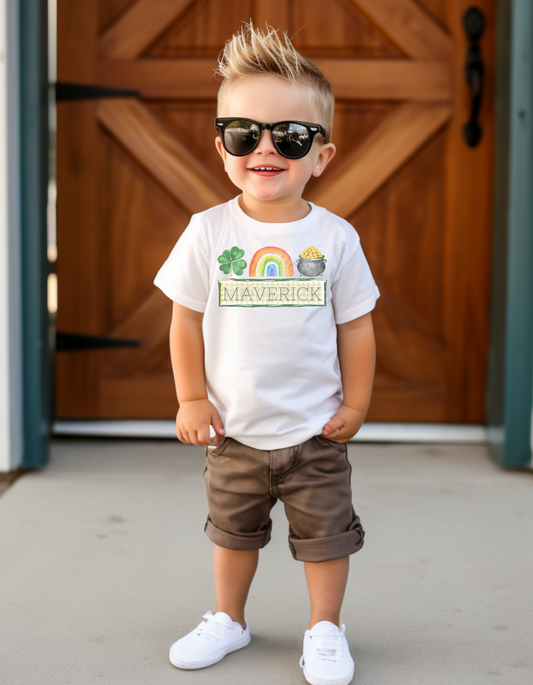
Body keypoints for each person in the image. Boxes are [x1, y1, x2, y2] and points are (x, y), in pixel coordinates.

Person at [153, 20, 380, 685]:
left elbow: (356, 328)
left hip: (313, 429)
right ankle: (228, 616)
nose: (264, 148)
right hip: (233, 428)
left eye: (289, 136)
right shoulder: (207, 231)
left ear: (321, 155)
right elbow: (184, 320)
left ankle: (325, 627)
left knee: (326, 536)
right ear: (221, 146)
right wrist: (190, 396)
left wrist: (357, 400)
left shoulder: (335, 239)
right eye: (242, 133)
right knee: (231, 532)